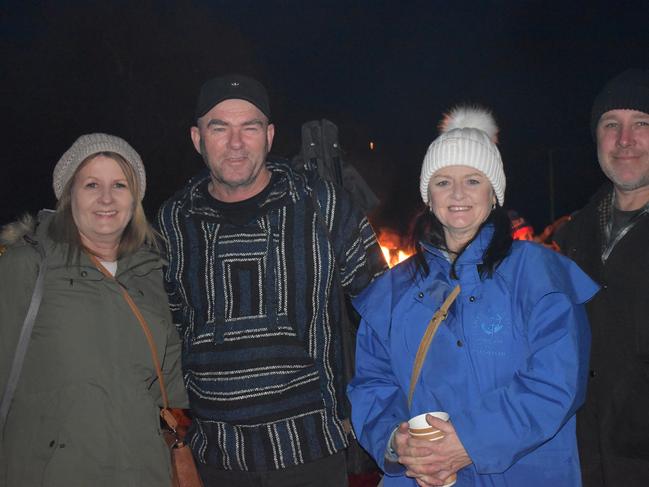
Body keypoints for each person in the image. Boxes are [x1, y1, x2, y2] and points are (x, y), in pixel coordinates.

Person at [347, 106, 599, 486]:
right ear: (428, 196)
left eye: (473, 181)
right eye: (443, 182)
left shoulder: (538, 274)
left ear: (494, 194)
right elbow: (372, 381)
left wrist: (471, 440)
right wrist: (394, 441)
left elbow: (557, 381)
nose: (458, 194)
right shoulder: (393, 290)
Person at [156, 74, 386, 486]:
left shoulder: (321, 204)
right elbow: (169, 329)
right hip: (216, 458)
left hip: (311, 452)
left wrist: (370, 408)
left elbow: (385, 308)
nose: (236, 142)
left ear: (270, 135)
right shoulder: (174, 222)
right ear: (197, 138)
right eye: (219, 127)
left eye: (250, 126)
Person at [0, 133, 188, 486]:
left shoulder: (149, 273)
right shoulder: (28, 266)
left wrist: (172, 438)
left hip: (144, 473)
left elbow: (170, 380)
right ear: (69, 195)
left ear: (135, 199)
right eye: (91, 185)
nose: (106, 198)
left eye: (119, 184)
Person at [554, 69, 649, 485]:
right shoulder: (575, 233)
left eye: (642, 124)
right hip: (583, 456)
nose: (625, 140)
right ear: (597, 138)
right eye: (612, 125)